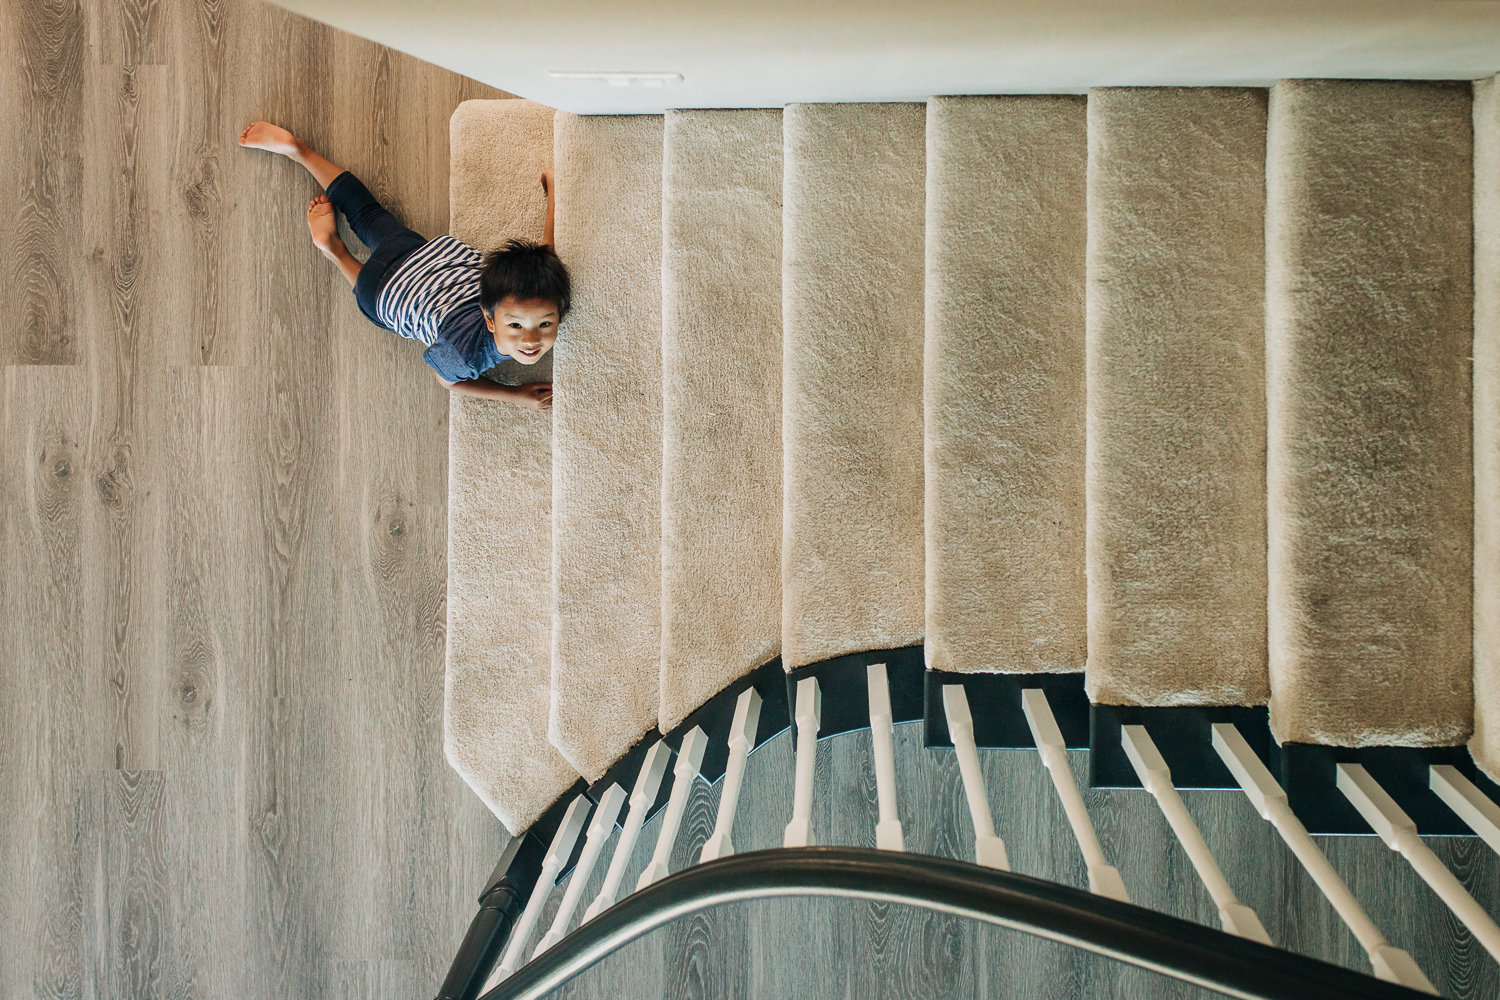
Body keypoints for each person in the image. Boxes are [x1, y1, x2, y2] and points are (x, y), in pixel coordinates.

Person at [237, 121, 566, 409]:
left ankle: (300, 151)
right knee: (366, 285)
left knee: (367, 212)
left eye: (546, 325)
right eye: (516, 326)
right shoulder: (463, 354)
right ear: (490, 320)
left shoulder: (532, 288)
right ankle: (334, 249)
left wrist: (553, 192)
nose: (530, 341)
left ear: (558, 315)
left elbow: (546, 254)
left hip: (416, 254)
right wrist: (516, 394)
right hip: (382, 293)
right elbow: (448, 382)